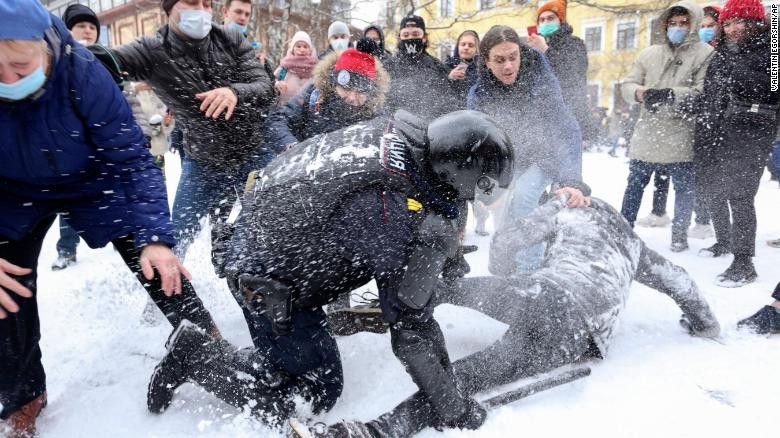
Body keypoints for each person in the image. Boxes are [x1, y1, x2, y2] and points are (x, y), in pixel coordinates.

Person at [146, 110, 514, 431]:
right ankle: (196, 356)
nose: (474, 199)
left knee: (300, 357)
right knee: (315, 391)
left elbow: (440, 205)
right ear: (455, 170)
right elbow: (411, 330)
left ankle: (269, 354)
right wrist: (453, 408)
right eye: (479, 187)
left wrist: (443, 251)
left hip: (267, 241)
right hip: (268, 279)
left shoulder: (400, 138)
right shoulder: (391, 209)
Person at [296, 192, 721, 438]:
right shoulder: (635, 246)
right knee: (465, 377)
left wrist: (509, 270)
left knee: (447, 290)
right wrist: (704, 324)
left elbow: (510, 239)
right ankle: (375, 431)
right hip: (574, 326)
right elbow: (683, 284)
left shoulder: (570, 208)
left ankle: (378, 311)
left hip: (538, 294)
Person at [0, 2, 218, 435]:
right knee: (6, 289)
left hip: (94, 179)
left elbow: (133, 160)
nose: (9, 80)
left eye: (21, 66)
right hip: (13, 194)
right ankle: (23, 394)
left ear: (45, 49)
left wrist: (155, 235)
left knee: (152, 255)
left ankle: (208, 342)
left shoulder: (83, 72)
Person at [110, 0, 276, 259]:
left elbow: (266, 87)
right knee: (175, 238)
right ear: (168, 9)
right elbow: (108, 61)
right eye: (191, 2)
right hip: (204, 162)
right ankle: (168, 293)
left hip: (253, 152)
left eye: (207, 4)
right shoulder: (153, 49)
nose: (200, 10)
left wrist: (235, 92)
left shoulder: (230, 38)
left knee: (283, 220)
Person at [467, 25, 582, 273]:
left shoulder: (540, 80)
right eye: (499, 60)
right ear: (486, 62)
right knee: (502, 208)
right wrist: (487, 187)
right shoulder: (479, 95)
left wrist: (571, 179)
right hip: (509, 160)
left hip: (544, 155)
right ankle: (505, 266)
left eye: (513, 57)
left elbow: (564, 127)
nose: (508, 66)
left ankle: (530, 273)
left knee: (523, 198)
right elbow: (478, 144)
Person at [691, 0, 777, 286]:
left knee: (740, 194)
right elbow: (712, 91)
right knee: (716, 187)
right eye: (727, 24)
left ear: (754, 21)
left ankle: (744, 262)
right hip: (719, 127)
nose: (732, 29)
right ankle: (723, 241)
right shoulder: (722, 52)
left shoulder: (772, 49)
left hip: (754, 127)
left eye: (739, 21)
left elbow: (771, 90)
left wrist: (736, 74)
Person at [619, 1, 713, 253]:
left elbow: (702, 91)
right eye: (673, 23)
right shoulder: (649, 53)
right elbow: (627, 84)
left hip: (681, 130)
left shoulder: (704, 53)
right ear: (665, 25)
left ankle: (680, 234)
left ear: (693, 24)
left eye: (684, 23)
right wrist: (640, 93)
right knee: (635, 184)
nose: (678, 28)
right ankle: (623, 230)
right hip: (648, 129)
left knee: (683, 187)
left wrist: (671, 94)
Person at [265, 42, 389, 152]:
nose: (352, 97)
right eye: (346, 88)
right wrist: (293, 148)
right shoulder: (314, 95)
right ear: (333, 83)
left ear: (371, 93)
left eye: (360, 92)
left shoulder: (376, 114)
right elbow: (278, 119)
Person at [527, 0, 594, 152]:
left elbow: (570, 74)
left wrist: (544, 49)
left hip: (567, 116)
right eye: (541, 20)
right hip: (541, 120)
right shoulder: (536, 47)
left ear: (561, 20)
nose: (545, 23)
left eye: (550, 18)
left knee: (565, 170)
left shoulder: (575, 44)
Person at [384, 15, 460, 121]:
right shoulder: (389, 65)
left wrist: (451, 80)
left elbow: (446, 97)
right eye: (406, 35)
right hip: (396, 126)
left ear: (424, 38)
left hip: (429, 124)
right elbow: (383, 98)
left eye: (415, 34)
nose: (410, 38)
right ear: (400, 38)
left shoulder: (436, 65)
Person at [274, 31, 318, 106]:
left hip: (308, 115)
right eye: (298, 46)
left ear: (310, 49)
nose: (302, 50)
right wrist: (277, 85)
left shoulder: (317, 69)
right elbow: (270, 83)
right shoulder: (284, 68)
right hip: (285, 113)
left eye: (305, 46)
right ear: (293, 49)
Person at [445, 30, 480, 104]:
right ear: (458, 47)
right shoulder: (447, 66)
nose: (466, 47)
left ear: (476, 49)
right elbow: (437, 89)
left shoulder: (481, 69)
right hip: (452, 112)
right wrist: (449, 78)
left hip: (474, 112)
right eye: (463, 44)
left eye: (471, 45)